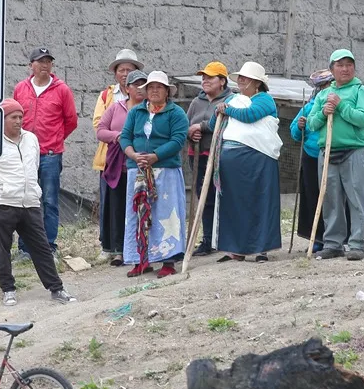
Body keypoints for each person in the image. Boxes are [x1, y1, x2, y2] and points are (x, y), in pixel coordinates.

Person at [0, 98, 77, 307]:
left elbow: (35, 166)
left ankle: (56, 288)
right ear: (2, 119)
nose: (18, 121)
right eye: (13, 117)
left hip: (30, 202)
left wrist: (31, 191)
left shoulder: (31, 138)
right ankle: (8, 290)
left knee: (41, 247)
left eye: (21, 117)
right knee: (3, 249)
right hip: (5, 202)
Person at [210, 62, 282, 263]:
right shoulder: (233, 100)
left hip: (259, 159)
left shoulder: (265, 100)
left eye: (245, 78)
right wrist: (218, 112)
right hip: (233, 162)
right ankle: (237, 248)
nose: (240, 80)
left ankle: (262, 249)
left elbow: (250, 116)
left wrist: (226, 110)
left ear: (257, 83)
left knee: (261, 201)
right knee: (236, 203)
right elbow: (213, 122)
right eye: (239, 77)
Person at [119, 71, 188, 278]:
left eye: (159, 87)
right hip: (137, 169)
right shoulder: (136, 112)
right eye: (151, 87)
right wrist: (133, 155)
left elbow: (177, 141)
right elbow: (125, 137)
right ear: (146, 92)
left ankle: (169, 260)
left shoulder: (176, 113)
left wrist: (155, 157)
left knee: (166, 213)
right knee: (137, 214)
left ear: (167, 91)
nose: (155, 90)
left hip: (165, 170)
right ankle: (141, 259)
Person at [307, 49, 364, 261]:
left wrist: (341, 105)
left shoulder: (361, 91)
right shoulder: (323, 95)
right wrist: (323, 113)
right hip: (327, 152)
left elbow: (362, 119)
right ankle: (333, 243)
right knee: (330, 200)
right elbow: (311, 123)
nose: (345, 69)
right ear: (331, 69)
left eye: (349, 64)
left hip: (353, 151)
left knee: (356, 199)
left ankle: (356, 243)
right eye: (340, 65)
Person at [13, 47, 78, 257]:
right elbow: (14, 117)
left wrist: (55, 139)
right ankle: (25, 247)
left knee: (49, 200)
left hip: (50, 154)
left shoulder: (62, 90)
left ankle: (48, 246)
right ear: (31, 65)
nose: (45, 65)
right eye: (40, 61)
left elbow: (71, 121)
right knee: (25, 200)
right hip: (24, 155)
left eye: (48, 61)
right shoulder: (21, 89)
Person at [93, 49, 143, 261]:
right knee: (111, 204)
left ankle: (135, 245)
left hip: (137, 160)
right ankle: (111, 246)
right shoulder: (109, 97)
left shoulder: (146, 102)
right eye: (121, 70)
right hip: (111, 159)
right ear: (115, 73)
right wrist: (119, 136)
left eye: (129, 70)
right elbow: (98, 125)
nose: (124, 73)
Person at [186, 62, 234, 257]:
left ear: (222, 81)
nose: (205, 81)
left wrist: (202, 127)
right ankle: (207, 239)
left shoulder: (231, 100)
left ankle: (225, 238)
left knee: (223, 196)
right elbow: (187, 124)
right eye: (203, 77)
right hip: (198, 155)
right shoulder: (196, 102)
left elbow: (225, 123)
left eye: (210, 77)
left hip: (221, 155)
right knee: (204, 198)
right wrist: (191, 133)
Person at [290, 70, 334, 253]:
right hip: (311, 157)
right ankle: (317, 237)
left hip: (332, 156)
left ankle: (337, 237)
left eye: (327, 85)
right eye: (320, 86)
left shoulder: (334, 103)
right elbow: (294, 133)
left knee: (333, 198)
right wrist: (299, 127)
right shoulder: (309, 107)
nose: (323, 89)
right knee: (313, 198)